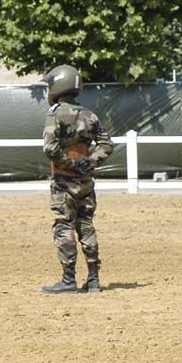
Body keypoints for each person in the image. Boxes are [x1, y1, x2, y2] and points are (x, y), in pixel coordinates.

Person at [40, 64, 114, 294]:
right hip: (85, 181)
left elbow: (50, 149)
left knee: (64, 226)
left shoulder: (55, 115)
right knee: (87, 226)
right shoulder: (89, 115)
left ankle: (68, 280)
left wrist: (70, 164)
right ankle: (93, 281)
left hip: (63, 181)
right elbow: (106, 144)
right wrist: (89, 162)